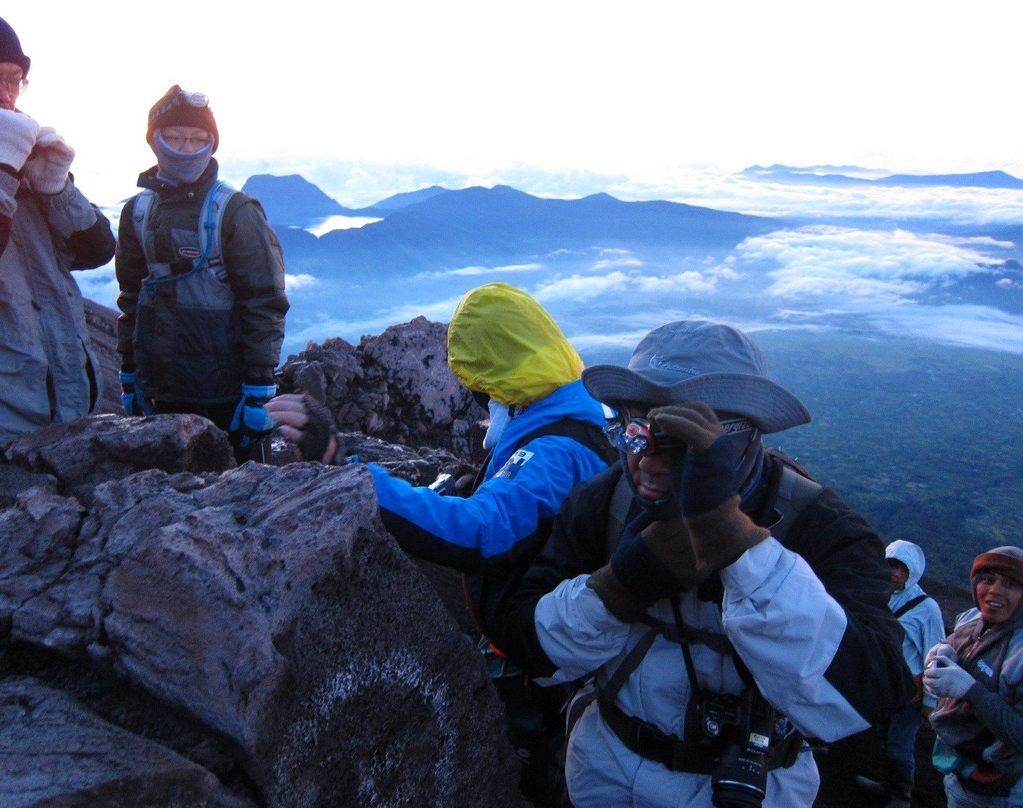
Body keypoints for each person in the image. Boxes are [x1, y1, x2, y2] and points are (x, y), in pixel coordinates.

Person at [491, 319, 913, 808]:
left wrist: (739, 548)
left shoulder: (818, 527)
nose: (649, 463)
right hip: (603, 778)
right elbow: (530, 647)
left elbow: (870, 691)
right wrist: (618, 588)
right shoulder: (604, 503)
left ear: (743, 440)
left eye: (682, 441)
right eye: (636, 433)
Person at [266, 282, 615, 807]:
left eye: (481, 387)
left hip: (548, 680)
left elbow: (479, 531)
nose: (479, 401)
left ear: (503, 380)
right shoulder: (563, 418)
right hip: (543, 658)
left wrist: (352, 475)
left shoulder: (555, 453)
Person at [0, 1, 115, 474]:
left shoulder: (20, 143)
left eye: (15, 78)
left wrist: (56, 187)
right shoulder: (0, 149)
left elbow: (97, 251)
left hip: (66, 403)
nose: (4, 93)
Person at [115, 85, 289, 464]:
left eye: (198, 139)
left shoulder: (236, 211)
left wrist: (259, 387)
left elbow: (264, 301)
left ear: (212, 144)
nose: (187, 148)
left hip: (224, 396)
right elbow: (130, 297)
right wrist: (129, 372)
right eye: (176, 137)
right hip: (157, 391)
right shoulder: (137, 212)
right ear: (154, 140)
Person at [924, 546, 1023, 807]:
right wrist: (943, 651)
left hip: (1002, 791)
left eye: (1011, 584)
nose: (994, 590)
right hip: (958, 771)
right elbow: (958, 645)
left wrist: (972, 691)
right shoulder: (971, 619)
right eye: (987, 579)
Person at [857, 539, 946, 807]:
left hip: (910, 690)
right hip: (885, 683)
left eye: (903, 569)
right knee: (885, 735)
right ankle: (887, 785)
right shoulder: (880, 593)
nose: (896, 574)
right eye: (892, 566)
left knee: (900, 743)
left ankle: (900, 796)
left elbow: (935, 655)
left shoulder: (926, 608)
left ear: (914, 572)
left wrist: (931, 701)